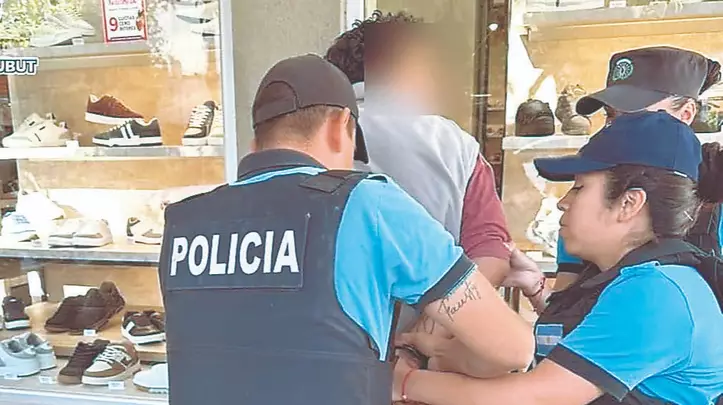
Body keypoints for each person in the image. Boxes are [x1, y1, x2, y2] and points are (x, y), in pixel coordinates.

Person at [157, 54, 534, 405]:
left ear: (255, 143)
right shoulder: (369, 204)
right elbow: (512, 348)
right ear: (341, 129)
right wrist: (428, 356)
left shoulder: (184, 222)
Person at [393, 111, 723, 405]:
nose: (563, 202)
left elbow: (535, 396)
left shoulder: (656, 294)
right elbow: (574, 350)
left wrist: (401, 382)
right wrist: (536, 290)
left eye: (579, 188)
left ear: (629, 203)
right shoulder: (622, 278)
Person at [326, 11, 516, 341]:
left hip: (322, 343)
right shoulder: (454, 145)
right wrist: (418, 341)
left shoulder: (311, 135)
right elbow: (491, 256)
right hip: (419, 348)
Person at [554, 46, 722, 292]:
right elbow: (563, 304)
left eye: (635, 115)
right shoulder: (592, 201)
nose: (616, 127)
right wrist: (533, 286)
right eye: (610, 115)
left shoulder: (715, 196)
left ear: (686, 113)